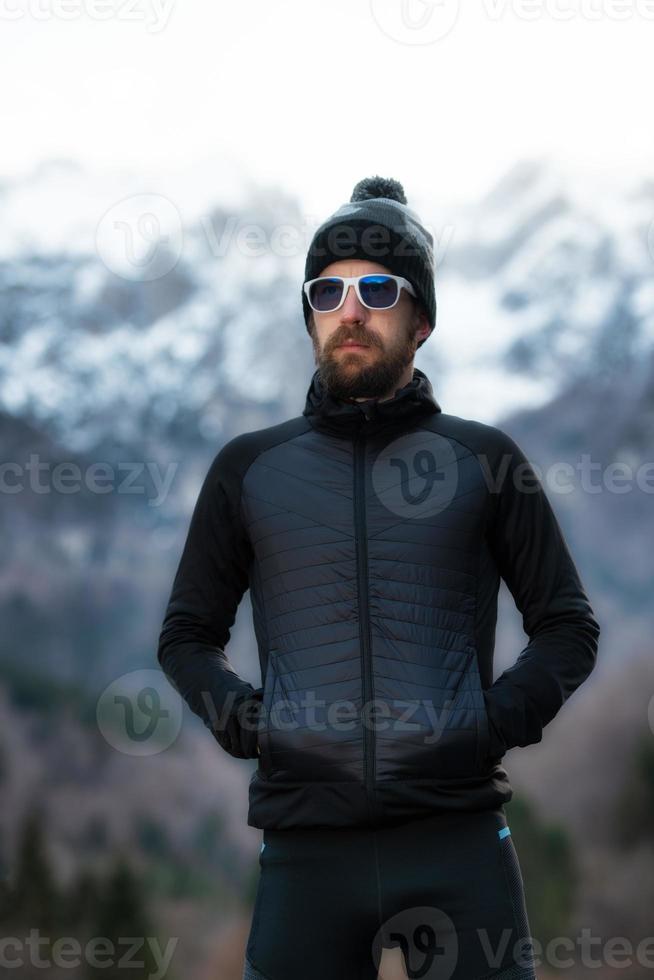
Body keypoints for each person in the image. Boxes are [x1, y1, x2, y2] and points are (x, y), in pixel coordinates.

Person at [157, 176, 601, 980]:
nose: (349, 308)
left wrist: (485, 724)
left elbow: (567, 626)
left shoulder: (484, 460)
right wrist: (257, 728)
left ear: (419, 319)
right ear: (311, 314)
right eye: (327, 290)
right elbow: (187, 636)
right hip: (305, 852)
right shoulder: (248, 470)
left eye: (376, 288)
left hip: (458, 841)